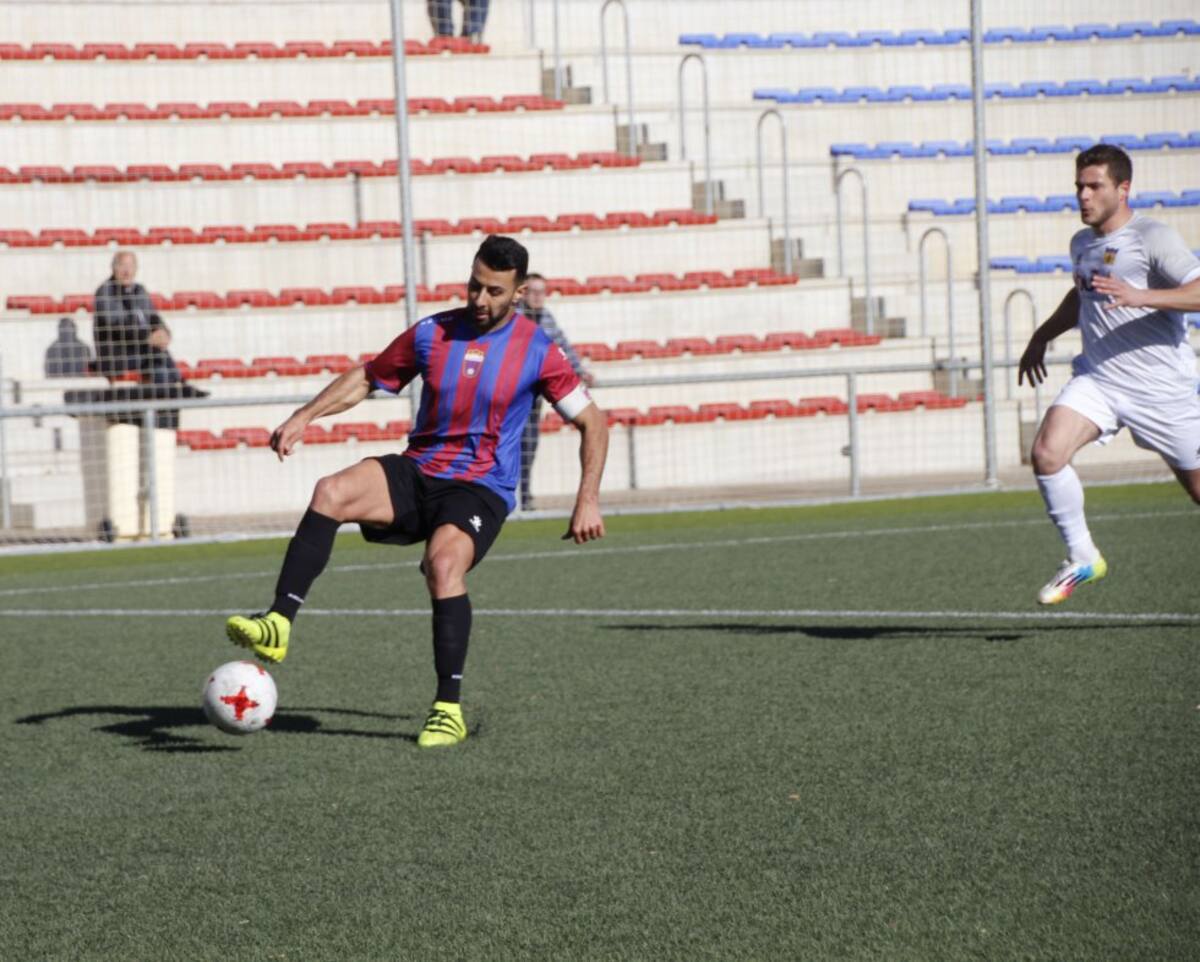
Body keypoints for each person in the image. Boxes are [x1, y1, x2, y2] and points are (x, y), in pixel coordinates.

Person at [226, 236, 608, 748]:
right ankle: (278, 621)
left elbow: (593, 423)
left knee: (442, 566)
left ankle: (447, 709)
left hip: (479, 487)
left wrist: (587, 499)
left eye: (494, 291)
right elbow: (368, 377)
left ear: (518, 293)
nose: (480, 299)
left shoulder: (539, 350)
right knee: (331, 491)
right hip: (420, 469)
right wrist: (305, 416)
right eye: (474, 285)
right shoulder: (433, 332)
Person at [1017, 143, 1200, 605]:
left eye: (1094, 186)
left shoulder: (1152, 237)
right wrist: (1042, 335)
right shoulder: (1082, 243)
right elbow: (1082, 296)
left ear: (1123, 189)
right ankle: (1083, 557)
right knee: (1047, 453)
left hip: (1162, 391)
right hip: (1099, 380)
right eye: (1079, 186)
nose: (1083, 195)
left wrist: (1144, 296)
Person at [519, 272, 592, 511]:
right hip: (511, 396)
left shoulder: (546, 318)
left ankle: (524, 495)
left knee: (529, 446)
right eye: (533, 291)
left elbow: (563, 346)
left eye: (542, 292)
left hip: (533, 398)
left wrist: (579, 370)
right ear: (523, 293)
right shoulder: (513, 317)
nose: (538, 297)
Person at [92, 251, 182, 385]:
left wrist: (163, 332)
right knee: (157, 354)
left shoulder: (139, 290)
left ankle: (173, 393)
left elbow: (153, 317)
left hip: (141, 350)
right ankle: (181, 384)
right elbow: (117, 325)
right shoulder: (105, 292)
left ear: (136, 269)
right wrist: (147, 337)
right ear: (114, 268)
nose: (127, 271)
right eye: (123, 266)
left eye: (131, 266)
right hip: (116, 355)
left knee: (160, 367)